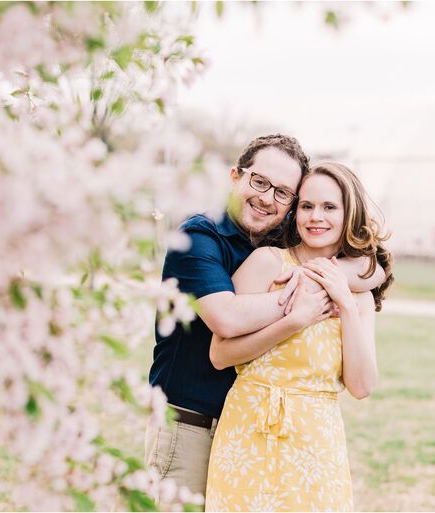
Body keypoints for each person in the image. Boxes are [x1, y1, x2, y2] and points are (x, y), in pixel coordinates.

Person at [145, 134, 387, 501]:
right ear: (235, 177)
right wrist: (300, 307)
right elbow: (225, 322)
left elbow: (374, 265)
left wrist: (340, 289)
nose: (266, 198)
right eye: (259, 182)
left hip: (307, 443)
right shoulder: (200, 237)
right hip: (192, 424)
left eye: (283, 192)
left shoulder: (272, 237)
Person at [204, 162, 394, 511]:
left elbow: (362, 386)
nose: (315, 217)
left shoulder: (359, 294)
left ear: (349, 214)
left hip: (316, 443)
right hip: (248, 433)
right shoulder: (267, 263)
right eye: (306, 206)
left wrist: (346, 305)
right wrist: (293, 322)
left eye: (329, 207)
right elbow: (219, 355)